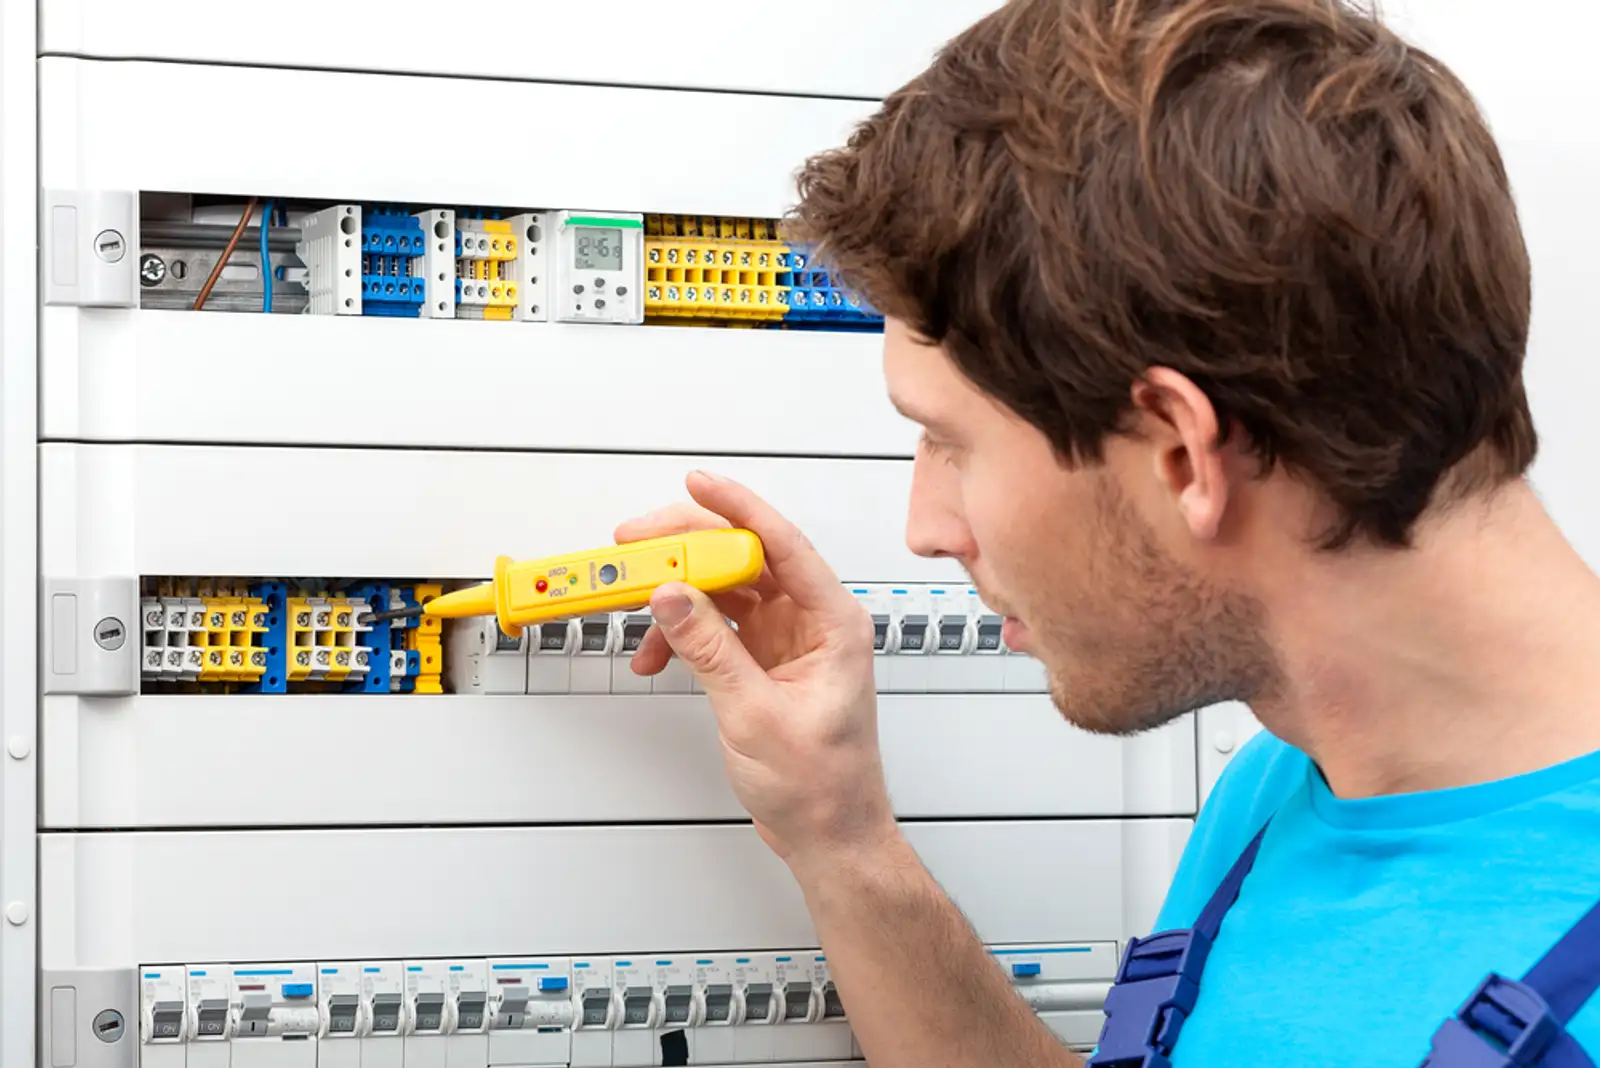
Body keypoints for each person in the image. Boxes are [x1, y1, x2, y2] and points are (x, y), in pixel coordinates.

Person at [613, 0, 1600, 1063]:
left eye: (951, 443)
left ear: (1180, 456)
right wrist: (839, 832)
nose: (925, 528)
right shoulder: (1288, 785)